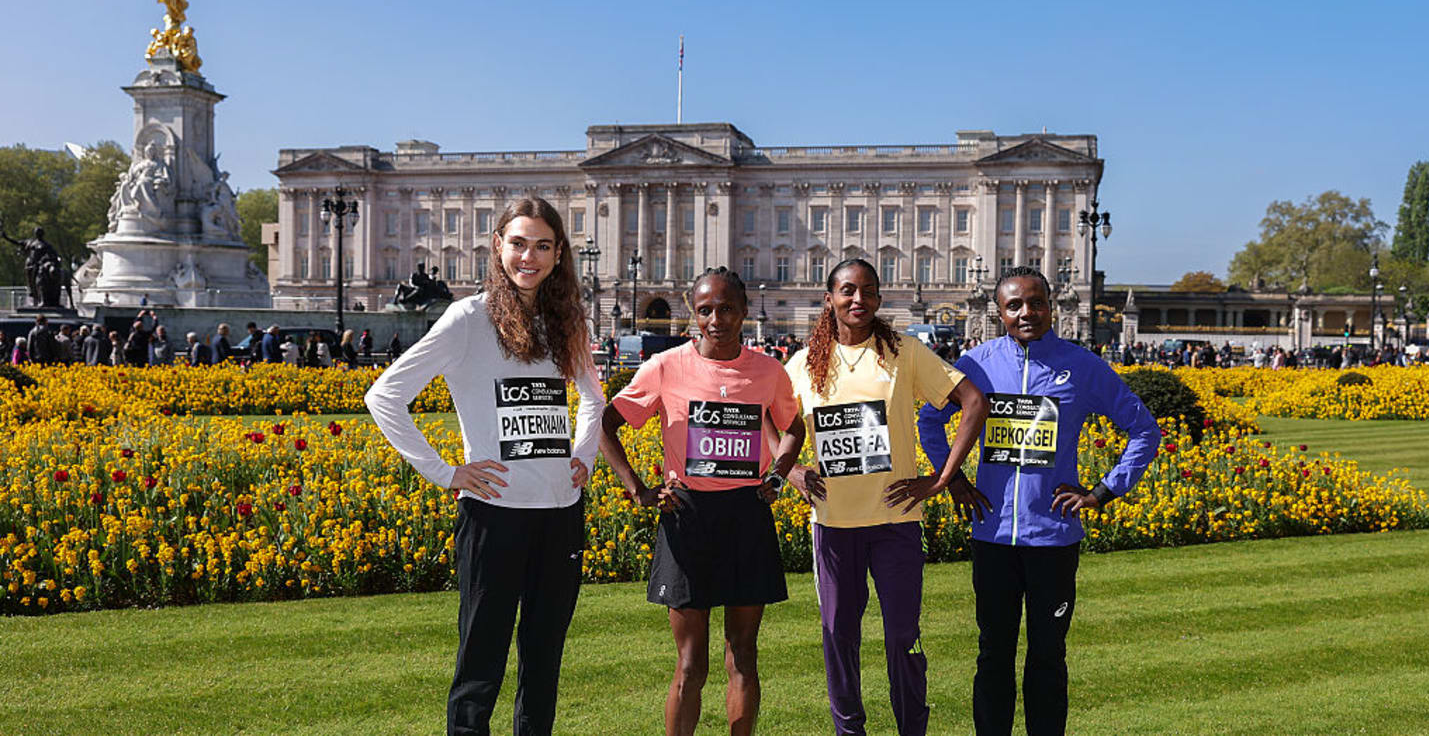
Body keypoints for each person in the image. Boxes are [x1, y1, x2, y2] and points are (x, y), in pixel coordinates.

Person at [367, 196, 603, 736]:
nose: (529, 257)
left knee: (543, 663)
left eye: (543, 246)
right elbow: (385, 396)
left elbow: (594, 398)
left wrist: (583, 457)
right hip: (494, 517)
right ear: (498, 247)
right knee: (480, 666)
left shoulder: (565, 320)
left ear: (559, 253)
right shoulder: (467, 319)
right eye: (518, 244)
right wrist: (446, 472)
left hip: (560, 513)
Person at [917, 266, 1161, 736]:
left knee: (1048, 656)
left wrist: (1102, 491)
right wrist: (953, 480)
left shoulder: (1083, 365)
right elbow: (929, 421)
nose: (1027, 312)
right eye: (1015, 305)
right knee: (993, 654)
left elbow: (1144, 430)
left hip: (1053, 537)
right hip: (992, 535)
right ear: (1000, 313)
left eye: (1036, 302)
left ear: (1051, 306)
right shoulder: (976, 363)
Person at [783, 259, 988, 736]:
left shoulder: (906, 352)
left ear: (879, 298)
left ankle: (912, 728)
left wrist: (940, 479)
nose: (859, 300)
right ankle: (849, 730)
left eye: (869, 291)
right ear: (829, 298)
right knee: (839, 638)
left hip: (896, 522)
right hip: (833, 526)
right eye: (848, 291)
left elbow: (974, 403)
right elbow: (772, 421)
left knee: (902, 637)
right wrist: (791, 469)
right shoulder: (802, 363)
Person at [600, 266, 807, 736]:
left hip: (746, 514)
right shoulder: (666, 366)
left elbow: (793, 427)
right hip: (687, 516)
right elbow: (607, 424)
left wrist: (777, 476)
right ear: (693, 313)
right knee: (691, 664)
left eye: (727, 308)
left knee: (744, 655)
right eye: (706, 310)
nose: (717, 319)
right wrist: (638, 489)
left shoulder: (767, 370)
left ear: (744, 311)